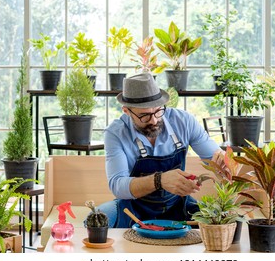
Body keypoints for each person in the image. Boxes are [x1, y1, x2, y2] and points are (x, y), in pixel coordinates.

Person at [95, 72, 223, 228]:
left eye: (158, 111)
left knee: (221, 222)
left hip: (178, 205)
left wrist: (222, 163)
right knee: (95, 219)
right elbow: (118, 186)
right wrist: (159, 181)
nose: (154, 121)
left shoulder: (184, 121)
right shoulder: (115, 133)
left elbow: (214, 157)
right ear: (127, 111)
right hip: (133, 207)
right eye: (144, 116)